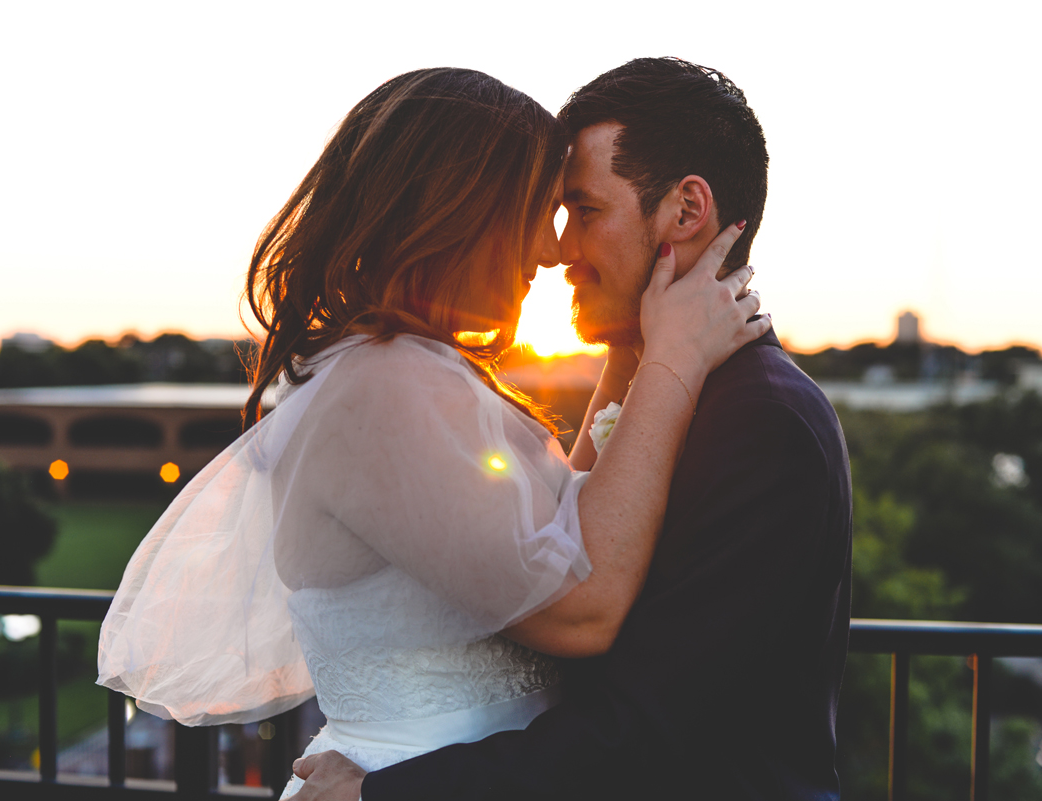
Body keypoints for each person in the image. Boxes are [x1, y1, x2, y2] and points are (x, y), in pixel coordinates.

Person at [95, 66, 768, 797]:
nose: (552, 249)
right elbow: (583, 608)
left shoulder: (403, 372)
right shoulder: (381, 391)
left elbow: (549, 531)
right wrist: (672, 360)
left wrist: (629, 351)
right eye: (541, 212)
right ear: (460, 209)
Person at [291, 58, 852, 801]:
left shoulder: (760, 421)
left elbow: (641, 736)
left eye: (583, 211)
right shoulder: (393, 386)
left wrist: (378, 794)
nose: (557, 250)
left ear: (686, 212)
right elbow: (577, 555)